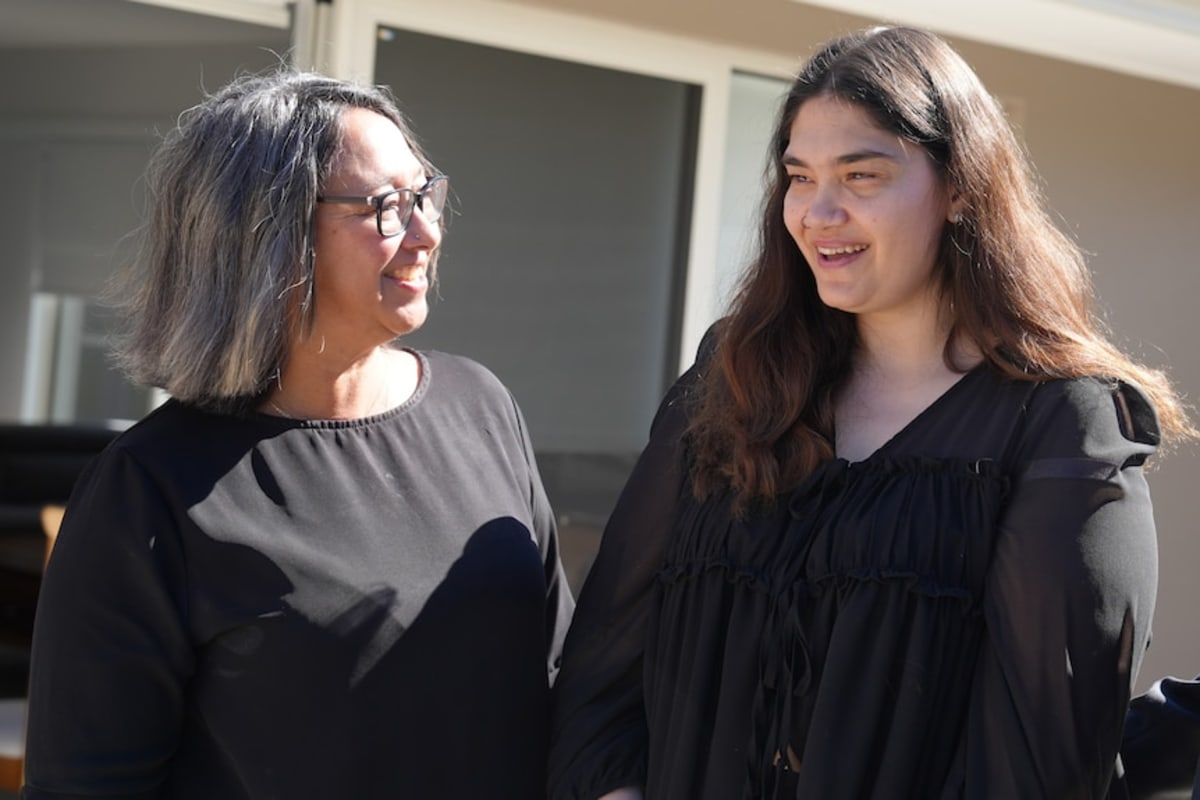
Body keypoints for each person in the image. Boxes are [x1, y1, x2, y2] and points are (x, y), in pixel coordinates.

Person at [548, 25, 1195, 800]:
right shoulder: (735, 376)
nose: (818, 213)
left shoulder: (1061, 428)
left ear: (961, 187)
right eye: (799, 176)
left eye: (860, 176)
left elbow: (1037, 765)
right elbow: (603, 662)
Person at [21, 69, 573, 799]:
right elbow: (87, 785)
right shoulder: (149, 488)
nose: (427, 232)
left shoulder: (480, 407)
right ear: (265, 234)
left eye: (425, 193)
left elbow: (561, 671)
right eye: (385, 206)